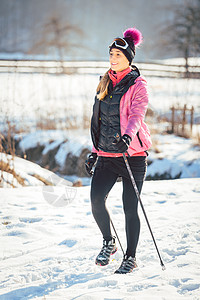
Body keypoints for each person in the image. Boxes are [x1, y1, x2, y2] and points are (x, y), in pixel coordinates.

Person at [85, 27, 152, 274]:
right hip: (106, 154)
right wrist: (94, 150)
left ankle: (130, 257)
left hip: (132, 155)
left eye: (118, 55)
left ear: (129, 59)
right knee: (95, 200)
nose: (113, 58)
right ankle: (108, 241)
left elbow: (137, 115)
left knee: (129, 207)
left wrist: (127, 136)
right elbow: (99, 121)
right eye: (111, 54)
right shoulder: (104, 82)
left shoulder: (138, 85)